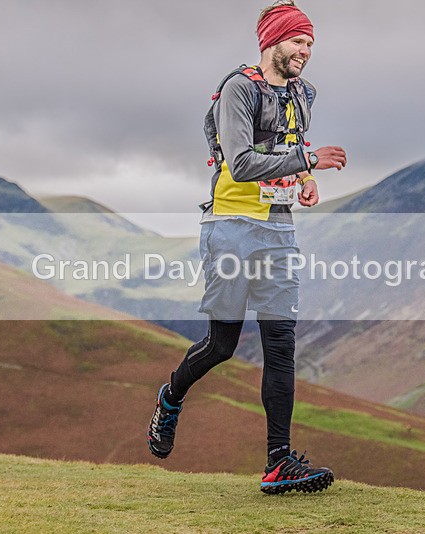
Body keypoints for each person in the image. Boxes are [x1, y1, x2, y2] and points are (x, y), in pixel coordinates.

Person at [147, 1, 346, 494]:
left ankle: (278, 462)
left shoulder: (303, 94)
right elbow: (237, 162)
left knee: (281, 343)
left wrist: (303, 178)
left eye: (310, 44)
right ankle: (170, 398)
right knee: (223, 344)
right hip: (230, 226)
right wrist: (309, 159)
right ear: (273, 41)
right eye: (298, 41)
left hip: (277, 228)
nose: (306, 51)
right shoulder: (239, 89)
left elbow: (284, 151)